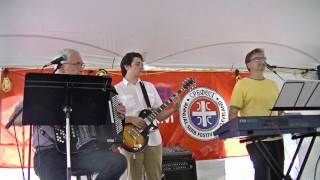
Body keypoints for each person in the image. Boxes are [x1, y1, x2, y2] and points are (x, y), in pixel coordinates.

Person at [7, 48, 127, 180]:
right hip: (50, 152)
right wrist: (45, 109)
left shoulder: (88, 89)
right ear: (62, 67)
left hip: (81, 152)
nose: (82, 68)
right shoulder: (44, 88)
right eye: (77, 64)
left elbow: (101, 119)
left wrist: (114, 113)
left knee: (117, 162)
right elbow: (14, 119)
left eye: (82, 65)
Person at [115, 52, 180, 180]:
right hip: (131, 139)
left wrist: (174, 109)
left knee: (155, 176)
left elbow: (159, 116)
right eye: (137, 64)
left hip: (154, 139)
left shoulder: (149, 87)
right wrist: (131, 119)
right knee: (134, 177)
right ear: (127, 66)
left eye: (142, 64)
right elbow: (114, 118)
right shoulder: (116, 89)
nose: (141, 67)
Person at [229, 48, 284, 180]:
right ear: (248, 64)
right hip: (256, 139)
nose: (262, 61)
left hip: (276, 137)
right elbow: (233, 113)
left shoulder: (273, 84)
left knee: (278, 174)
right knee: (262, 174)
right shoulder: (242, 84)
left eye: (264, 59)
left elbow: (279, 111)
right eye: (257, 59)